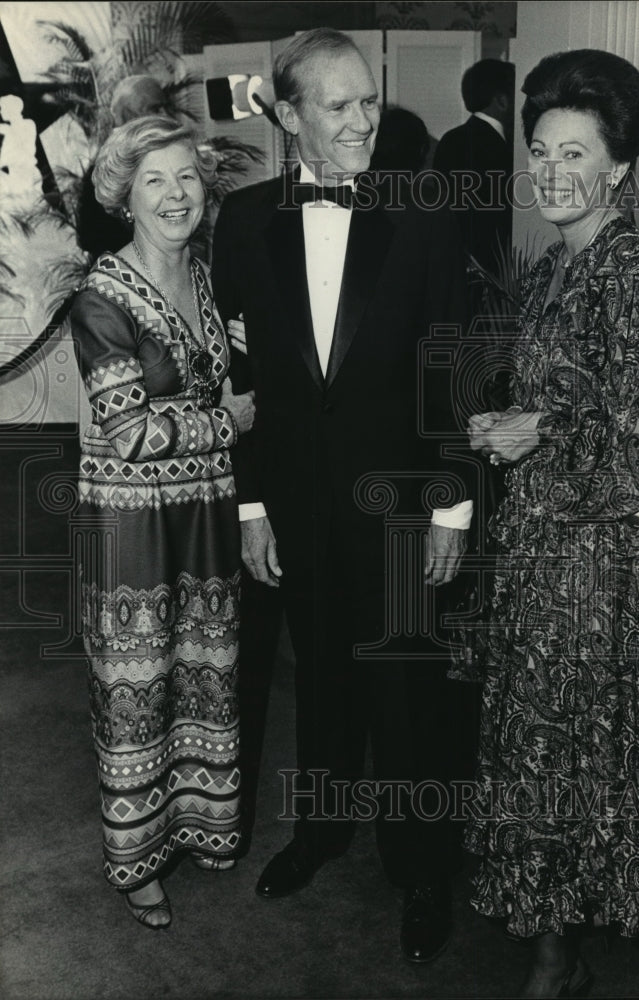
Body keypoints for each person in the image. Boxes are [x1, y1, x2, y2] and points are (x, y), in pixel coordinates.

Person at [211, 28, 472, 963]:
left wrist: (450, 505)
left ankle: (420, 868)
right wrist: (249, 508)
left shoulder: (428, 215)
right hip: (295, 510)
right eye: (339, 105)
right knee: (319, 684)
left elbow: (453, 368)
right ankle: (319, 832)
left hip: (404, 511)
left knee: (408, 696)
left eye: (369, 100)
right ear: (287, 117)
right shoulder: (240, 222)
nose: (364, 120)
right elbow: (232, 376)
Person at [462, 50, 639, 996]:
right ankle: (550, 941)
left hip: (602, 584)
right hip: (547, 565)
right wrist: (519, 427)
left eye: (575, 152)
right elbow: (591, 414)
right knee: (543, 758)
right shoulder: (560, 273)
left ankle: (556, 957)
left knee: (573, 761)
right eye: (538, 149)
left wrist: (541, 437)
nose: (552, 171)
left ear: (616, 166)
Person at [71, 116, 255, 930]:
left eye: (186, 176)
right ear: (123, 196)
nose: (175, 194)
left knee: (204, 675)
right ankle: (135, 862)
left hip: (207, 514)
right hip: (133, 528)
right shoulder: (100, 296)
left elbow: (214, 368)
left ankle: (197, 829)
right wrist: (230, 419)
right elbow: (131, 431)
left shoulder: (208, 277)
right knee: (139, 690)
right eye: (154, 181)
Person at [433, 59, 515, 274]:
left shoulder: (450, 140)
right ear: (502, 100)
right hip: (493, 268)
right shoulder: (503, 148)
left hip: (453, 262)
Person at [76, 75, 168, 259]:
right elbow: (88, 237)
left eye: (165, 108)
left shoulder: (158, 158)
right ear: (130, 115)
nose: (165, 115)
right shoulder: (106, 167)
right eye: (156, 108)